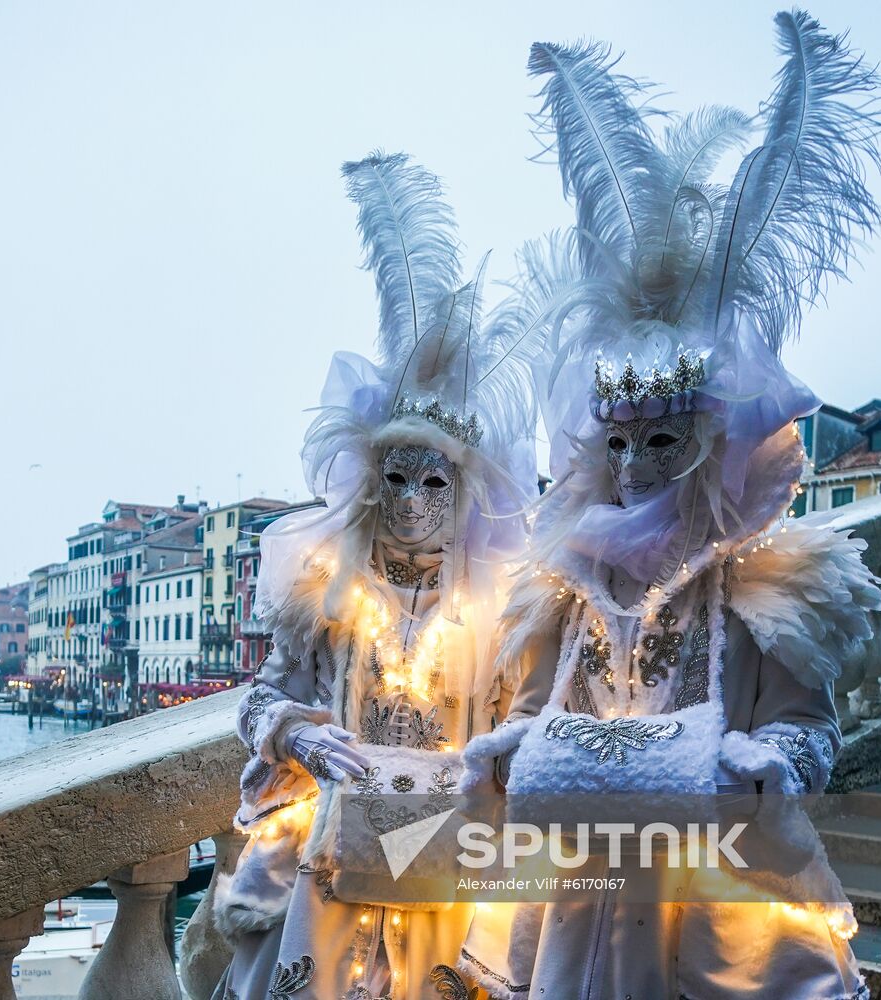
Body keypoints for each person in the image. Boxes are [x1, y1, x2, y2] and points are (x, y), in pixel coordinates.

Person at [457, 11, 881, 999]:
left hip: (717, 901)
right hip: (577, 885)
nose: (640, 465)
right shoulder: (561, 588)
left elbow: (806, 732)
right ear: (594, 448)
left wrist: (754, 762)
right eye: (620, 445)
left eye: (664, 443)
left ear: (707, 446)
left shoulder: (769, 582)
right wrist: (507, 745)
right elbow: (537, 711)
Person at [212, 151, 560, 1000]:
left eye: (433, 480)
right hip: (328, 862)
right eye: (395, 478)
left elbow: (533, 720)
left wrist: (483, 769)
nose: (411, 500)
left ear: (466, 488)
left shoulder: (506, 604)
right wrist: (297, 737)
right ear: (369, 481)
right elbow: (264, 693)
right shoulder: (325, 587)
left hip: (454, 865)